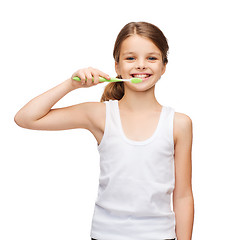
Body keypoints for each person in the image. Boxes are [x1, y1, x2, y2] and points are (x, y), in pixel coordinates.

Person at [14, 21, 194, 240]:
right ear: (117, 66)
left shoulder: (179, 123)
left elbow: (183, 195)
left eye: (151, 58)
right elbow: (25, 118)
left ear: (164, 66)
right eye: (130, 58)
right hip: (106, 234)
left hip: (160, 235)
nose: (141, 65)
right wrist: (71, 85)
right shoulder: (99, 114)